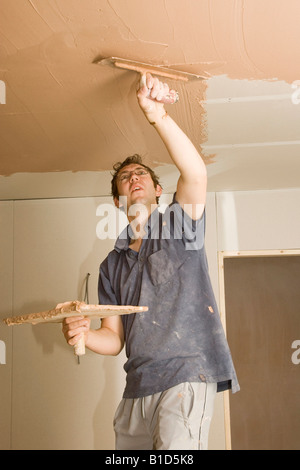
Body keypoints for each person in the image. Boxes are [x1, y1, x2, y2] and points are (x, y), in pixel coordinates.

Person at [62, 73, 239, 450]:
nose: (134, 178)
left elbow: (195, 173)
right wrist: (84, 335)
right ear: (117, 201)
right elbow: (115, 337)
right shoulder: (111, 265)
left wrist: (156, 113)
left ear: (158, 190)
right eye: (125, 178)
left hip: (185, 375)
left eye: (141, 174)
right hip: (136, 390)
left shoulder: (179, 227)